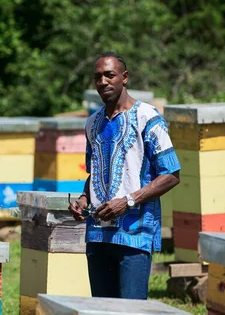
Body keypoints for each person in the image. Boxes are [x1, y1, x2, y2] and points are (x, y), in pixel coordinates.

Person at [68, 52, 181, 300]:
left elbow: (171, 174)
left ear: (125, 77)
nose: (103, 82)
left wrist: (128, 201)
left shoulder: (147, 118)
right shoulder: (92, 124)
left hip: (135, 235)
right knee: (102, 307)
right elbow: (95, 172)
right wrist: (84, 199)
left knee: (130, 309)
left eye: (110, 75)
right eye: (98, 77)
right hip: (97, 234)